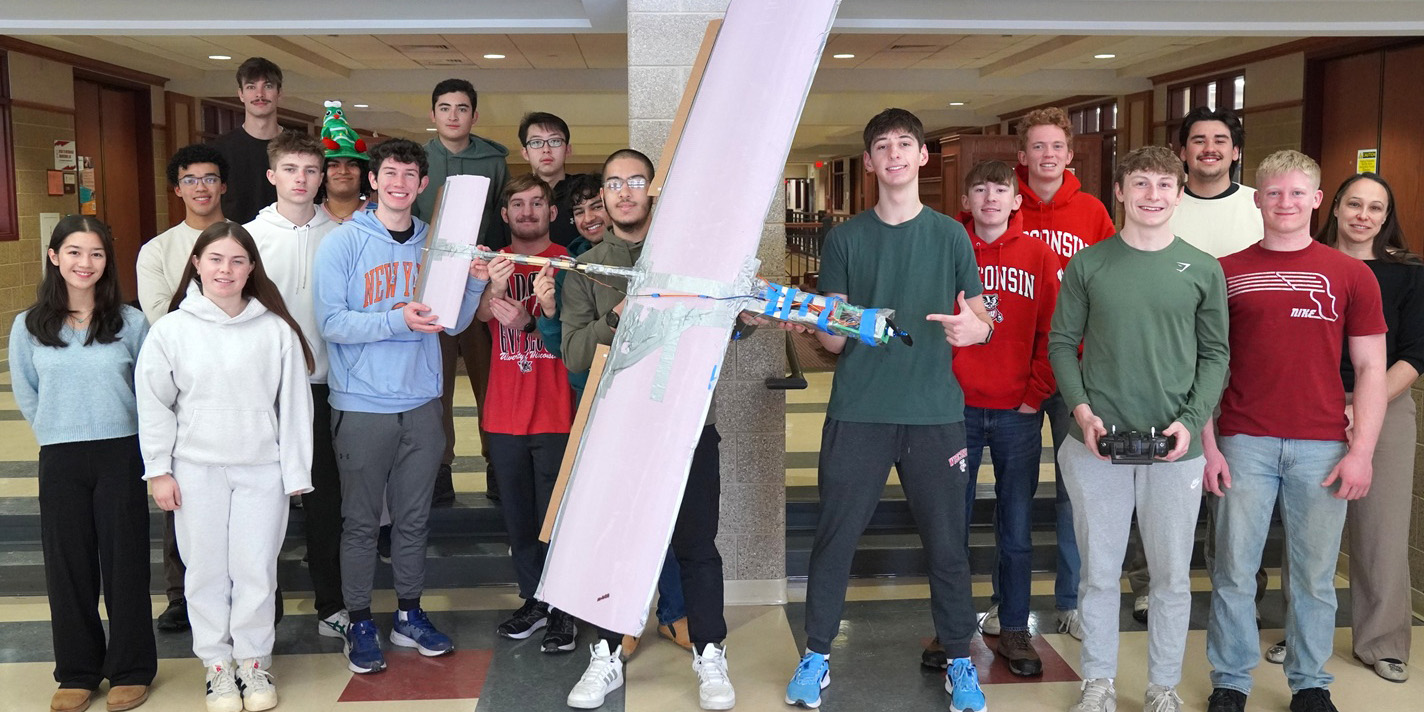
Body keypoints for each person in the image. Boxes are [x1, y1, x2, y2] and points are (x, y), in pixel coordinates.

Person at [784, 109, 993, 712]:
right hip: (860, 411)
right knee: (835, 538)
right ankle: (816, 655)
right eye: (882, 146)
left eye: (905, 144)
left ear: (923, 156)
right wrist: (812, 317)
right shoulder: (846, 239)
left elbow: (980, 315)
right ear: (870, 162)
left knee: (948, 545)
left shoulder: (951, 236)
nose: (894, 154)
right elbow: (834, 341)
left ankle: (960, 660)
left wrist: (975, 330)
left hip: (935, 415)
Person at [1203, 151, 1387, 712]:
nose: (1285, 203)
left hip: (1323, 445)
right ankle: (1230, 681)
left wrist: (1362, 452)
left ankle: (1310, 684)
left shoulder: (1352, 274)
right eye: (1274, 193)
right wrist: (1209, 446)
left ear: (1316, 200)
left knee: (1313, 577)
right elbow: (1204, 365)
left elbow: (1371, 368)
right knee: (1234, 571)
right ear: (1257, 200)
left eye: (1297, 193)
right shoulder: (1223, 271)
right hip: (1242, 440)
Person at [1049, 146, 1229, 712]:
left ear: (1179, 194)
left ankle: (1162, 687)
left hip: (1174, 448)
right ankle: (1098, 682)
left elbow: (1216, 355)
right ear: (1120, 192)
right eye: (1141, 183)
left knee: (1171, 577)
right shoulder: (1089, 265)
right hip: (1096, 446)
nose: (1153, 195)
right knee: (1099, 574)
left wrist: (1191, 423)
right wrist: (1082, 412)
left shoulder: (1202, 268)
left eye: (1164, 185)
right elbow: (1061, 343)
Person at [562, 149, 735, 710]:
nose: (624, 191)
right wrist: (621, 312)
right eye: (614, 183)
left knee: (697, 545)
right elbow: (574, 354)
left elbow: (728, 328)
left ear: (652, 190)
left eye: (635, 180)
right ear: (603, 196)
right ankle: (606, 653)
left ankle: (710, 653)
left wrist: (745, 315)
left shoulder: (691, 260)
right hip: (618, 429)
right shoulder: (587, 268)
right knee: (613, 543)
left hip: (689, 424)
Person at [314, 138, 488, 674]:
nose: (399, 183)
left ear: (423, 184)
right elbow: (331, 323)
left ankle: (409, 614)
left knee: (413, 519)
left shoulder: (437, 245)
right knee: (361, 522)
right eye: (390, 173)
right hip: (362, 404)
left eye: (410, 175)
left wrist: (474, 286)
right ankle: (360, 621)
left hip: (421, 401)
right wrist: (396, 319)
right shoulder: (343, 243)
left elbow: (452, 323)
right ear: (373, 181)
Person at [136, 222, 315, 712]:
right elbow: (153, 403)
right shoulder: (172, 330)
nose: (225, 270)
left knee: (256, 569)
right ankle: (217, 666)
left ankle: (254, 663)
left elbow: (295, 406)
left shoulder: (275, 330)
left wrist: (296, 472)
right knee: (205, 571)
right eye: (215, 259)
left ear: (251, 268)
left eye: (237, 260)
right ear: (196, 263)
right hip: (196, 470)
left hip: (262, 470)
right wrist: (159, 469)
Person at [533, 173, 694, 655]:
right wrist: (547, 312)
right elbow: (568, 350)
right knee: (620, 515)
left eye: (594, 207)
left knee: (663, 514)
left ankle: (672, 612)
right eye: (580, 210)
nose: (590, 217)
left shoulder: (658, 255)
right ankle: (623, 614)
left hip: (660, 401)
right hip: (599, 405)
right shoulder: (578, 268)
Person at [12, 216, 156, 712]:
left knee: (125, 564)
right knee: (68, 567)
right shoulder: (28, 326)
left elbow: (149, 391)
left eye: (96, 253)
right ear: (55, 257)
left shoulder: (131, 323)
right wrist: (55, 429)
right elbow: (28, 393)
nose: (85, 263)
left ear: (106, 261)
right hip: (61, 456)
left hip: (120, 452)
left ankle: (131, 669)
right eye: (74, 252)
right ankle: (77, 670)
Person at [1128, 106, 1265, 624]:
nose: (1210, 148)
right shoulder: (1164, 199)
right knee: (1157, 469)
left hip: (1242, 361)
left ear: (1236, 151)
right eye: (1199, 140)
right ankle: (1148, 582)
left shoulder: (1258, 204)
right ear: (1182, 152)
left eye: (1220, 140)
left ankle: (1240, 587)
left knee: (1235, 480)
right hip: (1166, 360)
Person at [941, 159, 1061, 677]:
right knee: (951, 525)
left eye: (1000, 190)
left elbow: (1056, 332)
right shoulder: (949, 249)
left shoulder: (1038, 255)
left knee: (1016, 528)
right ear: (966, 201)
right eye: (979, 189)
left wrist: (1035, 394)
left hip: (1018, 412)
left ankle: (1013, 627)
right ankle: (952, 630)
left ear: (1016, 200)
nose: (990, 198)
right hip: (956, 410)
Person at [1007, 106, 1117, 641]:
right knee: (1015, 489)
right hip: (1019, 371)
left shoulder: (1092, 212)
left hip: (1077, 372)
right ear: (1022, 155)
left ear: (1070, 154)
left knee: (1077, 490)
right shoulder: (1003, 204)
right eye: (1037, 146)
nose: (1047, 155)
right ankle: (1009, 604)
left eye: (1056, 146)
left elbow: (1115, 281)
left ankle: (1072, 600)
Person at [1315, 172, 1420, 683]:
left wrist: (1367, 403)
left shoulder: (1409, 275)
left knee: (1382, 530)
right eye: (1354, 204)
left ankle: (1382, 643)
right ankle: (1303, 632)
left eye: (1375, 208)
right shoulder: (1308, 262)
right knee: (1308, 528)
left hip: (1388, 409)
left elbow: (1416, 354)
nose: (1363, 215)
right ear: (1335, 207)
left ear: (1386, 217)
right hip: (1312, 406)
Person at [244, 130, 347, 641]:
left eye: (310, 170)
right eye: (290, 169)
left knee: (327, 503)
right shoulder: (247, 238)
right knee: (265, 504)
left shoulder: (343, 235)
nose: (301, 179)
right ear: (272, 176)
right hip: (265, 391)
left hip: (326, 387)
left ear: (322, 176)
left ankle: (332, 603)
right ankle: (265, 608)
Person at [135, 143, 231, 633]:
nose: (201, 187)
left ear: (223, 185)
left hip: (240, 381)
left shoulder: (245, 238)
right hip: (184, 384)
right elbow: (160, 318)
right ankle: (180, 593)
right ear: (177, 189)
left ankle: (246, 588)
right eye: (190, 179)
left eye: (209, 178)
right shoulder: (157, 250)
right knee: (183, 492)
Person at [480, 175, 578, 653]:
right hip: (503, 413)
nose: (527, 212)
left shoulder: (569, 264)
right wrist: (493, 287)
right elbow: (476, 317)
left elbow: (576, 330)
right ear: (505, 214)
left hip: (557, 411)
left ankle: (564, 608)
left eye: (537, 203)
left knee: (555, 518)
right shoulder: (491, 263)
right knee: (518, 519)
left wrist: (531, 321)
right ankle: (535, 601)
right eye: (517, 204)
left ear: (551, 212)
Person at [415, 77, 512, 508]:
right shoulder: (419, 158)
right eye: (445, 108)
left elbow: (500, 220)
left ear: (474, 115)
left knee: (487, 379)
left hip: (478, 283)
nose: (453, 116)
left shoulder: (493, 159)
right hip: (431, 285)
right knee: (436, 385)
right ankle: (440, 468)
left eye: (461, 108)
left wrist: (492, 279)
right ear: (432, 114)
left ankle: (496, 463)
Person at [211, 57, 284, 224]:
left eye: (268, 86)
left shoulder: (297, 147)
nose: (260, 94)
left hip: (289, 237)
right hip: (235, 237)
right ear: (241, 94)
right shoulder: (219, 149)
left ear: (279, 93)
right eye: (251, 87)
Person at [519, 111, 581, 246]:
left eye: (555, 141)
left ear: (568, 150)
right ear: (525, 153)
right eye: (536, 142)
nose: (546, 149)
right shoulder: (513, 196)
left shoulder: (584, 192)